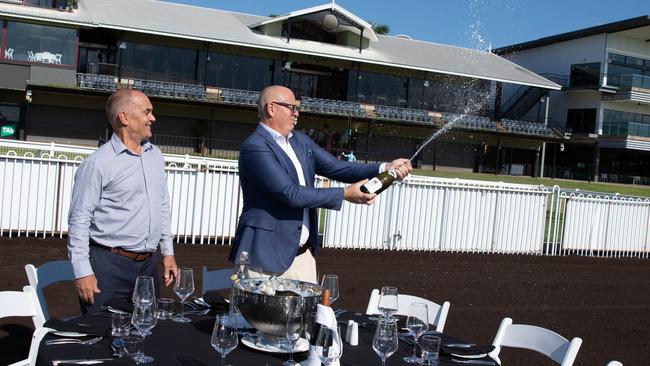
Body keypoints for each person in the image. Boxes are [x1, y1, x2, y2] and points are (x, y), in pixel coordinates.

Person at [228, 85, 412, 283]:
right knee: (261, 315)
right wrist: (344, 194)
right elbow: (290, 193)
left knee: (307, 315)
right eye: (291, 108)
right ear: (272, 108)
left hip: (303, 256)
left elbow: (337, 168)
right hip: (263, 258)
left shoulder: (301, 141)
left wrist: (385, 167)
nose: (296, 114)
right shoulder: (255, 147)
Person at [67, 89, 178, 314]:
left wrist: (167, 252)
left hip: (148, 266)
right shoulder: (98, 163)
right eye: (147, 112)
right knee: (101, 335)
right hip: (107, 265)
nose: (152, 118)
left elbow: (162, 207)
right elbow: (79, 220)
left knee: (147, 332)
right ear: (124, 117)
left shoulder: (155, 156)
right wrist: (82, 272)